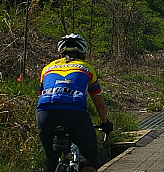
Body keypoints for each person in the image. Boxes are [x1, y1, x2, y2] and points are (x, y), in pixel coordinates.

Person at [37, 34, 113, 172]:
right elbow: (99, 104)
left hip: (45, 112)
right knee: (89, 156)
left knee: (50, 158)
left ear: (60, 54)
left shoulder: (46, 69)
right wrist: (104, 123)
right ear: (83, 54)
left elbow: (40, 95)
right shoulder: (87, 69)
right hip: (74, 112)